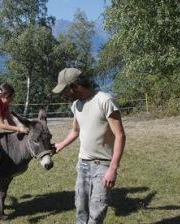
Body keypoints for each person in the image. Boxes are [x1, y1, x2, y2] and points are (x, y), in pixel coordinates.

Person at [52, 68, 126, 224]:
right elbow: (75, 130)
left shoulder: (105, 101)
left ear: (75, 85)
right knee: (80, 209)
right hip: (83, 165)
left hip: (102, 166)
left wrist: (112, 169)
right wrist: (61, 145)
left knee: (96, 213)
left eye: (65, 90)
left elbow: (120, 135)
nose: (63, 94)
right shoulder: (76, 105)